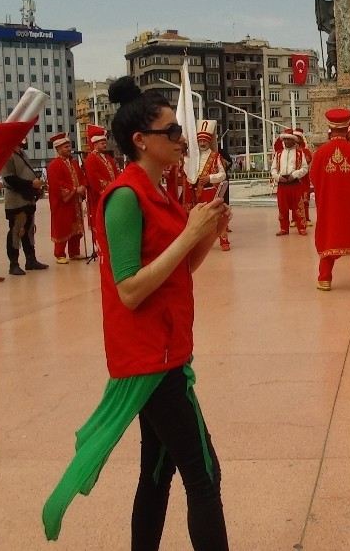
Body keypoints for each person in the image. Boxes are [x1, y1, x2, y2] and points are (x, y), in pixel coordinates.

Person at [42, 76, 230, 550]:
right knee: (205, 475)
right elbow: (128, 290)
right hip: (152, 361)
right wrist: (190, 234)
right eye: (171, 132)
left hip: (165, 351)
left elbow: (180, 268)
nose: (181, 140)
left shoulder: (161, 191)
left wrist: (205, 230)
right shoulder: (126, 197)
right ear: (141, 141)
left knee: (158, 472)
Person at [310, 108, 350, 290]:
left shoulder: (320, 153)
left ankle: (324, 278)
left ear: (330, 128)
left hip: (329, 204)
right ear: (348, 128)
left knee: (330, 234)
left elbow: (313, 178)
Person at [0, 140, 49, 275]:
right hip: (16, 200)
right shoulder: (7, 155)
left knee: (29, 230)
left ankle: (30, 260)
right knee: (16, 231)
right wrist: (31, 184)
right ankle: (13, 264)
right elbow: (10, 179)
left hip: (28, 199)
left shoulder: (21, 153)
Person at [47, 132, 88, 263]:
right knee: (63, 226)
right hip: (62, 203)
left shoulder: (75, 163)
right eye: (65, 147)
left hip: (74, 201)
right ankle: (59, 254)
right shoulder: (54, 165)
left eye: (69, 146)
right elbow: (56, 185)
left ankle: (74, 251)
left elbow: (82, 177)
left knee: (76, 227)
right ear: (58, 149)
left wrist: (83, 187)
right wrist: (75, 190)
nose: (69, 149)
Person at [192, 120, 230, 251]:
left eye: (205, 141)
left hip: (210, 191)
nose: (202, 143)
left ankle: (224, 240)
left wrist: (209, 177)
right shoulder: (193, 158)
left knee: (217, 217)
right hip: (197, 192)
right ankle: (199, 243)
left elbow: (223, 175)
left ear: (209, 142)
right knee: (198, 219)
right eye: (200, 141)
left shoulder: (215, 156)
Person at [84, 126, 120, 256]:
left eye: (105, 142)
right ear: (94, 144)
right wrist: (110, 187)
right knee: (99, 222)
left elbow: (117, 174)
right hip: (100, 197)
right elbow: (94, 180)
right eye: (102, 142)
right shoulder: (91, 160)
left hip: (112, 196)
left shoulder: (108, 159)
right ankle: (100, 247)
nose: (105, 144)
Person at [270, 129, 309, 236]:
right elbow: (273, 169)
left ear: (293, 141)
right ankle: (284, 228)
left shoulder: (299, 153)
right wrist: (278, 177)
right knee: (282, 207)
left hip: (295, 183)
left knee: (298, 206)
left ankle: (301, 227)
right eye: (285, 139)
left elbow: (305, 168)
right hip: (282, 184)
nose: (286, 142)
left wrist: (294, 175)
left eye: (289, 140)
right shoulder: (278, 154)